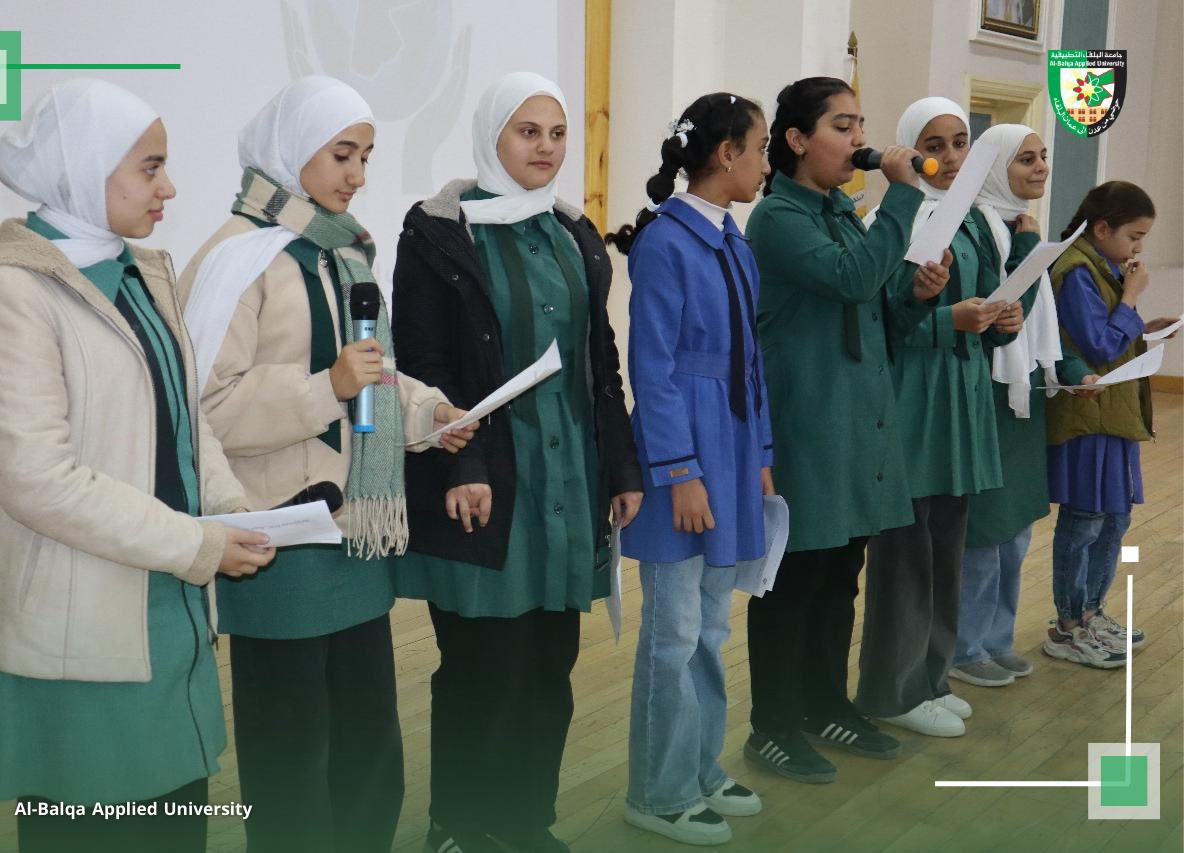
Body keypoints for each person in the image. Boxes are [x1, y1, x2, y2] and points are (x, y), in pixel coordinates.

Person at [0, 78, 274, 853]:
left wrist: (232, 510)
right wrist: (197, 543)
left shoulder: (140, 272)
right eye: (151, 167)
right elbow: (38, 480)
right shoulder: (9, 293)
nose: (169, 187)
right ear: (84, 168)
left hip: (167, 608)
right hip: (79, 626)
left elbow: (183, 421)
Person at [177, 77, 475, 852]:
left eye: (366, 156)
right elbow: (202, 411)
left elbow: (373, 374)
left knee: (368, 744)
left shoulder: (343, 253)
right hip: (276, 541)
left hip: (352, 536)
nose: (358, 174)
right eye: (343, 154)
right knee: (290, 750)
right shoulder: (236, 259)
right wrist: (325, 387)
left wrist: (428, 414)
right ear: (292, 149)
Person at [391, 71, 643, 853]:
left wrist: (622, 467)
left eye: (558, 133)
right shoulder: (439, 232)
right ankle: (458, 824)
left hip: (567, 480)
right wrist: (461, 462)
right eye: (528, 132)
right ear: (491, 135)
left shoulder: (572, 231)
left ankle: (526, 820)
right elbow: (423, 360)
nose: (546, 148)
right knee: (482, 664)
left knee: (548, 662)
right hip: (486, 481)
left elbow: (599, 358)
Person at [743, 76, 947, 783]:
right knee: (794, 582)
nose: (859, 140)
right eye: (842, 125)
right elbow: (853, 278)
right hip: (807, 425)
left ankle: (823, 703)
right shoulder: (778, 218)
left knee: (839, 577)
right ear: (797, 139)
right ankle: (772, 724)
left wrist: (915, 297)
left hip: (857, 423)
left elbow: (874, 310)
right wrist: (903, 196)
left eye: (860, 124)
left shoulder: (838, 212)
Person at [608, 92, 771, 846]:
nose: (766, 164)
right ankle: (657, 790)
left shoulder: (733, 240)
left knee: (710, 625)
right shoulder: (666, 242)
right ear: (726, 154)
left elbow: (751, 360)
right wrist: (680, 474)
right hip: (684, 455)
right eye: (760, 149)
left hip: (731, 449)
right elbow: (655, 368)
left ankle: (700, 767)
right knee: (672, 632)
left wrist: (760, 455)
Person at [854, 99, 1023, 737]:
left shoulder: (976, 218)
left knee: (948, 546)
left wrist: (1004, 320)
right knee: (906, 554)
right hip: (912, 397)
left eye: (959, 143)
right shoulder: (891, 221)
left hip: (961, 393)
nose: (950, 157)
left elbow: (988, 303)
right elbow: (878, 323)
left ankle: (931, 676)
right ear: (909, 150)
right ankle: (891, 691)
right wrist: (950, 319)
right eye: (933, 145)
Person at [953, 123, 1103, 685]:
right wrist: (1026, 247)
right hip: (990, 394)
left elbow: (1043, 321)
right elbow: (1004, 306)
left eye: (1042, 156)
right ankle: (964, 648)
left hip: (1024, 394)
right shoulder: (977, 228)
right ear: (994, 168)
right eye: (1025, 159)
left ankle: (996, 638)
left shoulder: (1019, 225)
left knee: (1015, 532)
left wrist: (1074, 372)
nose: (1041, 167)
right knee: (984, 532)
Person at [1044, 180, 1174, 667]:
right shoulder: (1076, 269)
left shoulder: (1102, 266)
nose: (1137, 249)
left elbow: (1108, 334)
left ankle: (1091, 613)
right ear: (1102, 228)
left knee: (1114, 519)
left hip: (1113, 413)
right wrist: (1132, 299)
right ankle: (1067, 626)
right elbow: (1097, 345)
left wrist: (1142, 328)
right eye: (1133, 236)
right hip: (1087, 416)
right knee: (1085, 521)